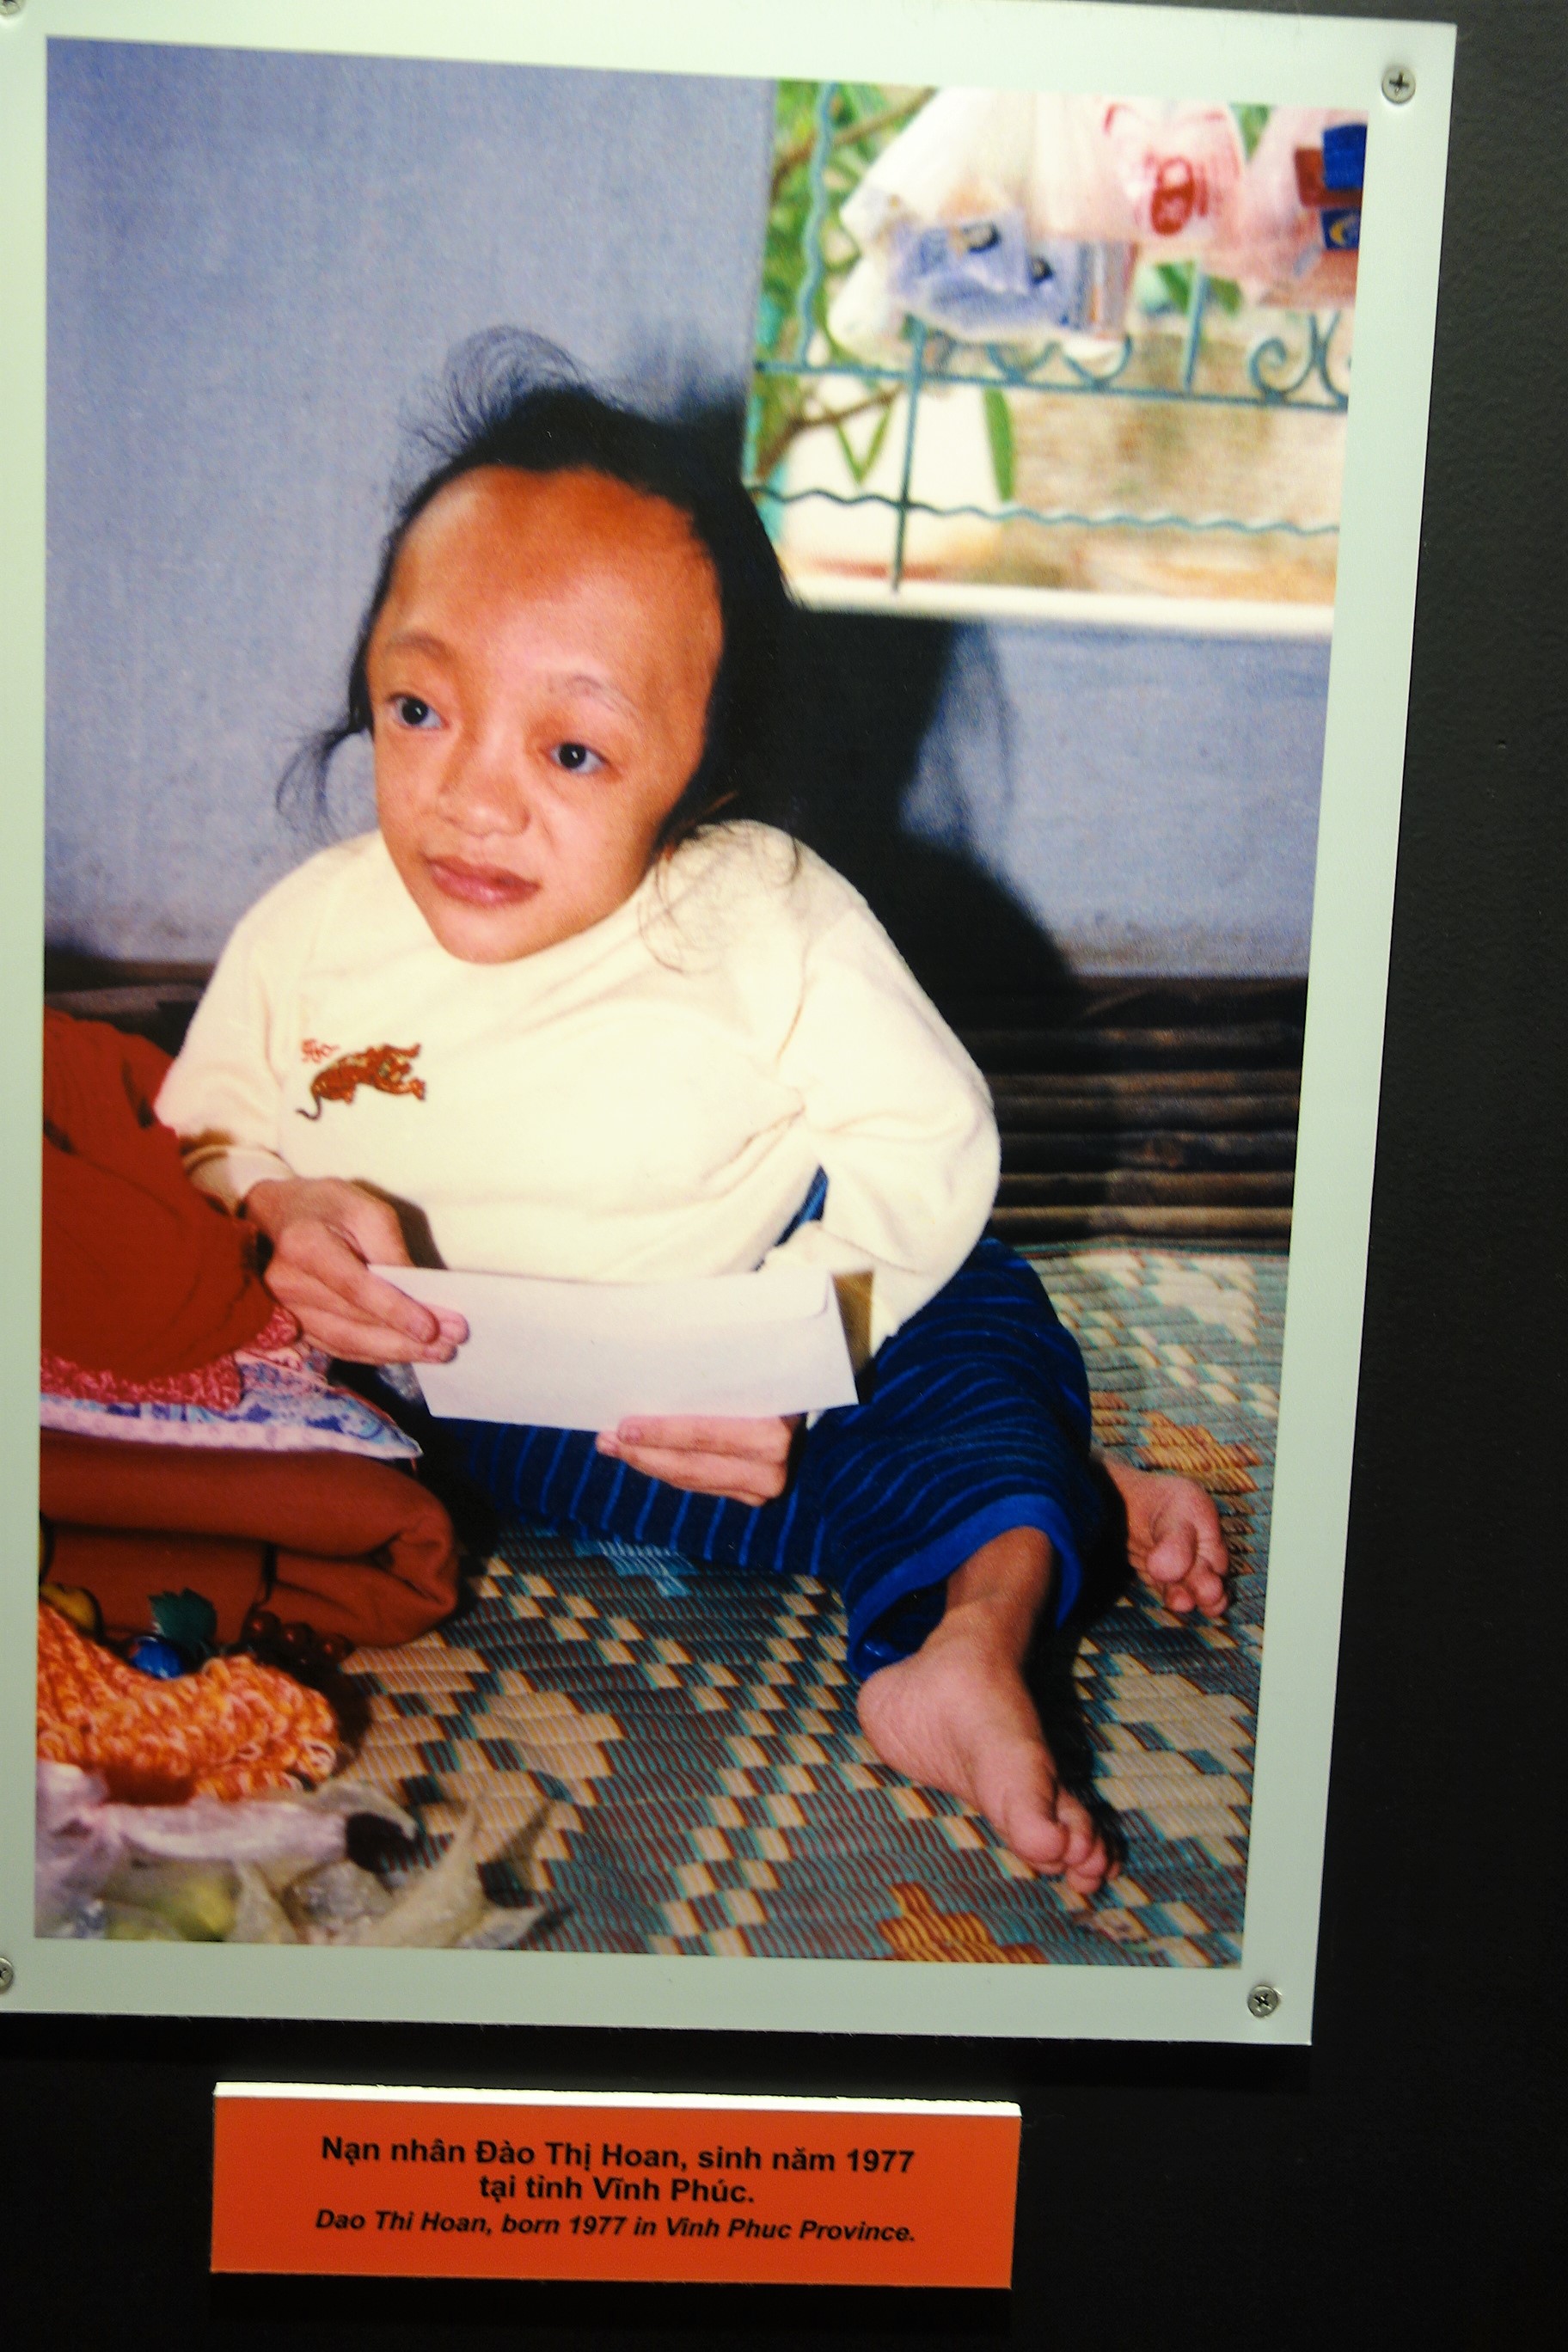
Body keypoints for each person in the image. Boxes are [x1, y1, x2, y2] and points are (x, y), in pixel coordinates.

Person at [156, 340, 1228, 1892]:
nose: (471, 796)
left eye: (572, 749)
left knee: (976, 1316)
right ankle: (1046, 1498)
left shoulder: (763, 913)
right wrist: (274, 1204)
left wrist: (796, 1338)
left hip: (759, 1321)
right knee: (244, 1401)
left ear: (702, 771)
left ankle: (972, 1640)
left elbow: (925, 1149)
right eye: (419, 706)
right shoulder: (312, 928)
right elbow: (204, 1126)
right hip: (512, 1406)